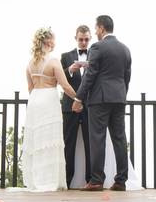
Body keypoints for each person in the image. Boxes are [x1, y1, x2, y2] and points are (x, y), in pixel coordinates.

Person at [73, 15, 132, 191]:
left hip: (99, 100)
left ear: (100, 28)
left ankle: (97, 180)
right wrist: (122, 94)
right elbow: (127, 77)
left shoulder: (97, 47)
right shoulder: (125, 49)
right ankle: (121, 181)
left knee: (97, 139)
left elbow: (90, 75)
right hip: (119, 98)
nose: (96, 31)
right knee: (120, 138)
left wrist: (78, 98)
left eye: (96, 28)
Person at [22, 27, 77, 191]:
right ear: (49, 41)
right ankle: (49, 180)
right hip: (48, 101)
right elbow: (65, 86)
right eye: (54, 39)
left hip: (34, 101)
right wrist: (79, 98)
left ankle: (36, 180)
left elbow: (30, 88)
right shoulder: (53, 62)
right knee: (50, 141)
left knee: (37, 141)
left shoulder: (30, 64)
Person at [60, 25, 92, 187]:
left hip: (90, 107)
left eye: (86, 39)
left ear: (90, 39)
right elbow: (59, 79)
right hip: (69, 106)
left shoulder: (95, 55)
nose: (84, 42)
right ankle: (66, 181)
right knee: (68, 144)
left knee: (91, 145)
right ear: (75, 38)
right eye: (81, 39)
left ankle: (91, 181)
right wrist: (70, 70)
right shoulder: (65, 56)